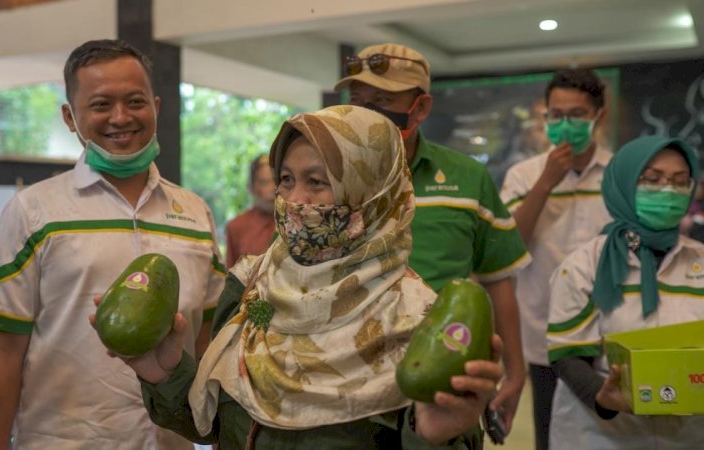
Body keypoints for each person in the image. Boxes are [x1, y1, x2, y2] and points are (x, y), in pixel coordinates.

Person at [94, 106, 504, 449]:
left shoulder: (418, 323)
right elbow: (216, 424)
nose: (295, 202)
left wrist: (432, 438)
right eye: (286, 180)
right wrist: (164, 372)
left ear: (374, 193)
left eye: (318, 182)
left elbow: (441, 430)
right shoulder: (251, 285)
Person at [0, 39, 225, 450]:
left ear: (157, 106)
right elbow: (3, 352)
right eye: (101, 104)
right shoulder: (33, 211)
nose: (121, 117)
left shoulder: (194, 213)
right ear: (70, 116)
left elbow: (206, 340)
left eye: (135, 101)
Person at [333, 43, 530, 430]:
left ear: (420, 108)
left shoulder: (467, 178)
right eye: (358, 100)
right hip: (347, 376)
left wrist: (518, 371)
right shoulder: (331, 178)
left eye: (383, 99)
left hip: (445, 373)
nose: (366, 111)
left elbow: (498, 280)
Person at [546, 135, 704, 449]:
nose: (668, 190)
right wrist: (603, 396)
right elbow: (566, 354)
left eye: (679, 182)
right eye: (652, 180)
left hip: (694, 436)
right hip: (602, 437)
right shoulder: (585, 267)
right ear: (623, 184)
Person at [498, 68, 612, 450]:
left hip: (612, 329)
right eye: (556, 115)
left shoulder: (620, 176)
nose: (566, 124)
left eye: (577, 114)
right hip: (545, 331)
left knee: (614, 428)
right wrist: (546, 182)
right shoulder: (523, 175)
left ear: (599, 115)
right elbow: (509, 246)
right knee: (550, 433)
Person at [224, 154, 275, 268]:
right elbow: (230, 275)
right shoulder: (236, 227)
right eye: (265, 182)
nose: (273, 188)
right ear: (251, 187)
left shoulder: (293, 222)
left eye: (276, 181)